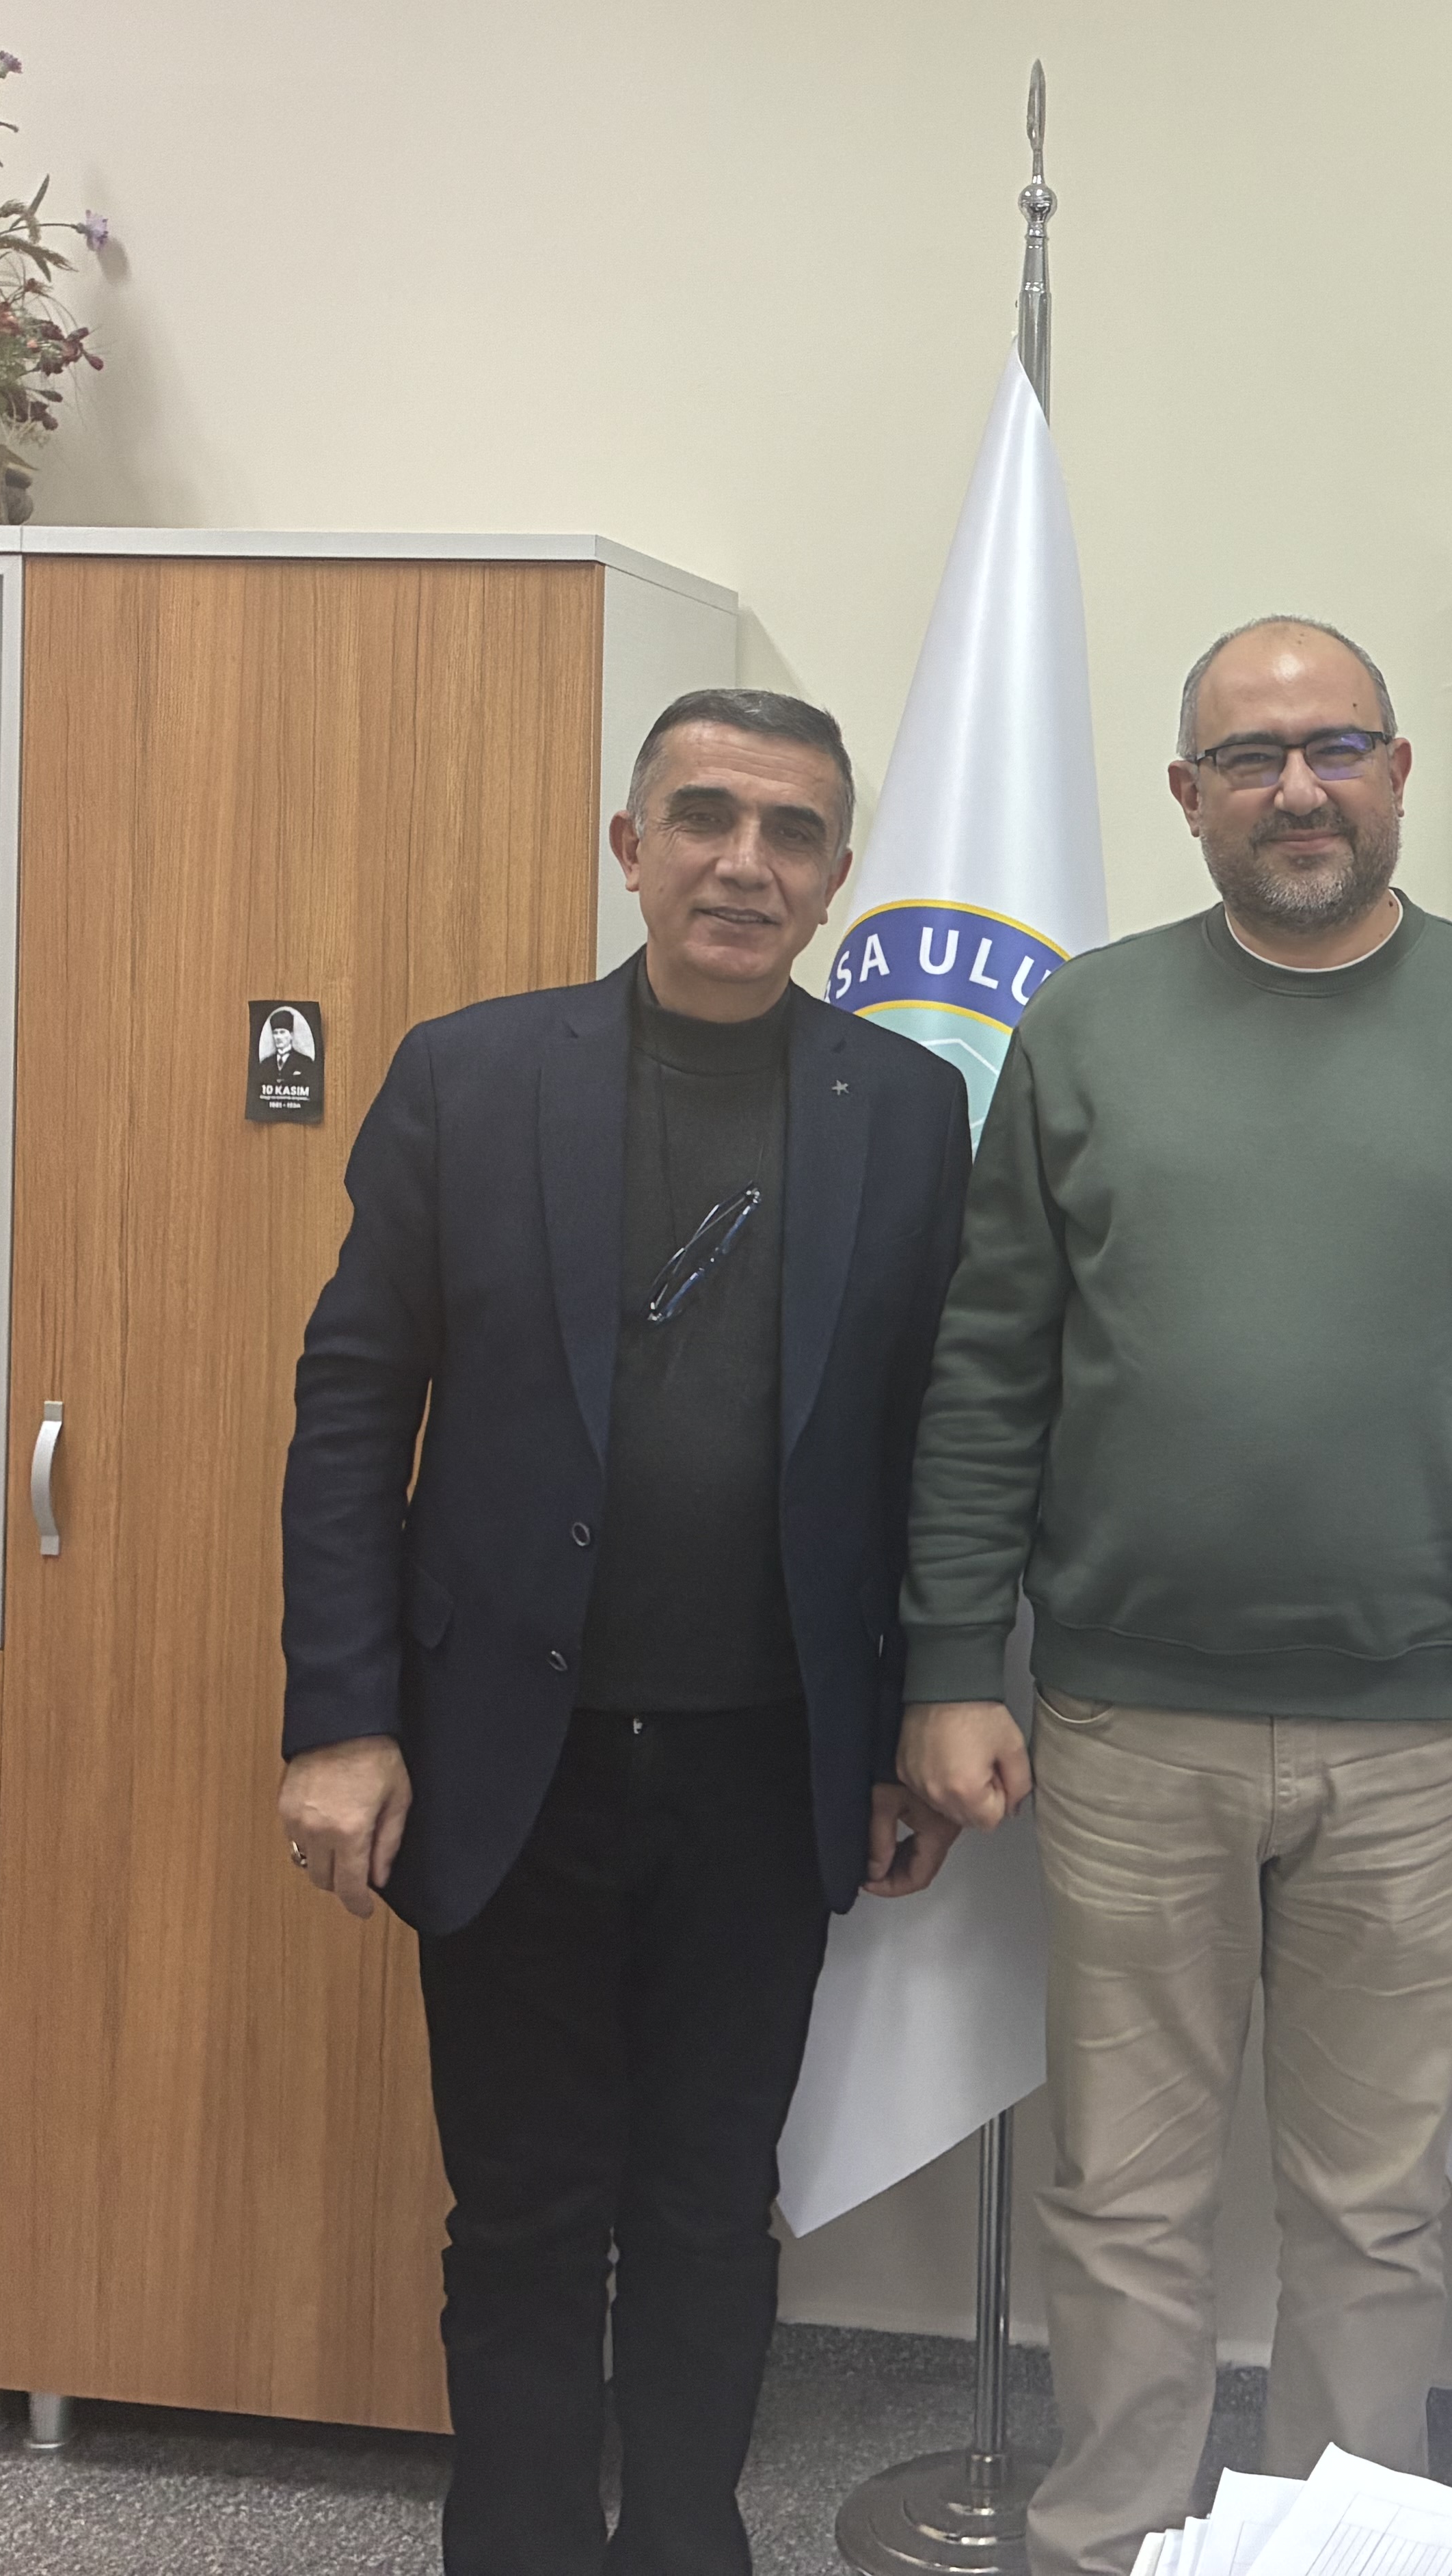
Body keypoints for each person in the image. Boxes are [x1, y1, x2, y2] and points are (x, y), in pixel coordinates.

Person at [896, 617, 1452, 2576]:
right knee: (1121, 2194)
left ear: (1398, 772)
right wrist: (954, 1661)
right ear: (1187, 795)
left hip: (1433, 1738)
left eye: (1334, 748)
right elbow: (990, 1364)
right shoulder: (1089, 1028)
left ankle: (1341, 2553)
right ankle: (1106, 2546)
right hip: (1124, 1721)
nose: (1296, 788)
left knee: (1371, 2208)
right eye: (1250, 757)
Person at [279, 687, 974, 2576]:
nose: (746, 862)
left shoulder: (908, 1111)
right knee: (521, 2212)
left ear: (837, 875)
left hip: (770, 1761)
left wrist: (905, 1726)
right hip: (512, 1761)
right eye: (706, 817)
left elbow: (930, 1437)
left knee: (707, 2207)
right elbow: (354, 1403)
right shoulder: (473, 1076)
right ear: (632, 845)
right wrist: (342, 1716)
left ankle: (683, 2543)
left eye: (792, 832)